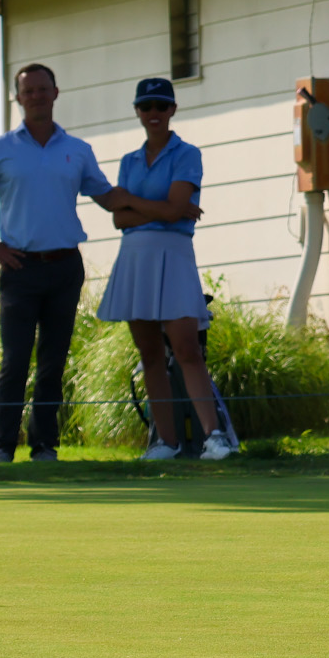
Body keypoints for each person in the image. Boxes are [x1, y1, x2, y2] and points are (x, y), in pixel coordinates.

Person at [0, 64, 128, 464]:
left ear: (56, 93)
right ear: (17, 98)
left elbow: (108, 197)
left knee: (53, 361)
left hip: (65, 267)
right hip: (20, 268)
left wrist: (162, 206)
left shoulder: (78, 150)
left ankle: (45, 447)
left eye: (42, 89)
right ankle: (1, 448)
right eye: (27, 91)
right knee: (15, 361)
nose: (35, 96)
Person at [95, 78, 231, 461]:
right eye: (146, 106)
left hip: (174, 256)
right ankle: (165, 442)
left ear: (172, 110)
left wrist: (134, 203)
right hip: (135, 259)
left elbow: (153, 209)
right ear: (138, 111)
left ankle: (214, 437)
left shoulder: (187, 154)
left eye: (160, 106)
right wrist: (161, 208)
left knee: (187, 349)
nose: (153, 113)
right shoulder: (128, 161)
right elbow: (119, 220)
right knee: (149, 353)